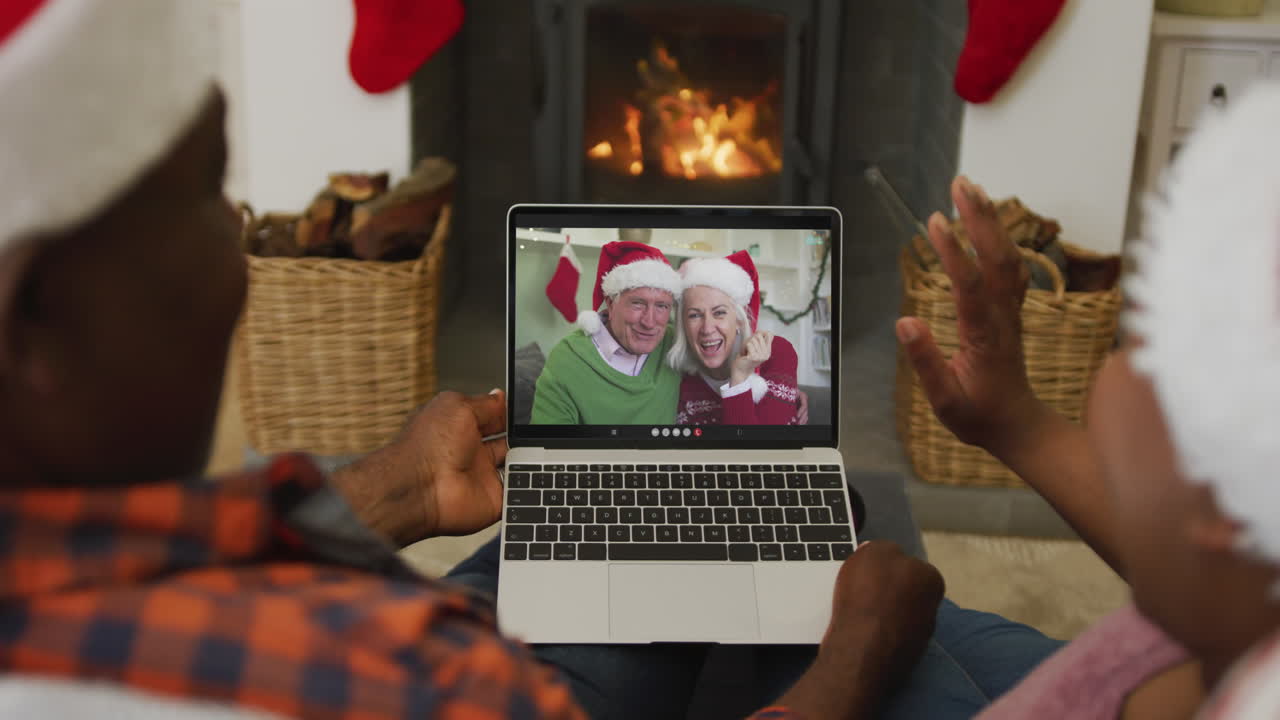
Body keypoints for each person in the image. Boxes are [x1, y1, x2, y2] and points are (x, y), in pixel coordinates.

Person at [0, 1, 948, 718]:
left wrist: (399, 491)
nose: (244, 261)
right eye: (212, 193)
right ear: (34, 312)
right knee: (902, 620)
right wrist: (853, 660)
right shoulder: (421, 677)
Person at [894, 85, 1280, 719]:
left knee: (833, 630)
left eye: (1139, 341)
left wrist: (846, 660)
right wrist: (1018, 423)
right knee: (927, 615)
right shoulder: (1235, 599)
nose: (1116, 366)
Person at [530, 240, 684, 425]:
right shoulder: (566, 360)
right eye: (637, 303)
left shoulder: (675, 344)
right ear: (611, 303)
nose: (649, 322)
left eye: (661, 306)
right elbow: (550, 447)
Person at [668, 250, 805, 425]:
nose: (707, 328)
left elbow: (761, 450)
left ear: (740, 320)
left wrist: (739, 378)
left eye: (719, 313)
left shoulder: (776, 352)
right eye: (694, 315)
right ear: (683, 325)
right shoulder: (679, 374)